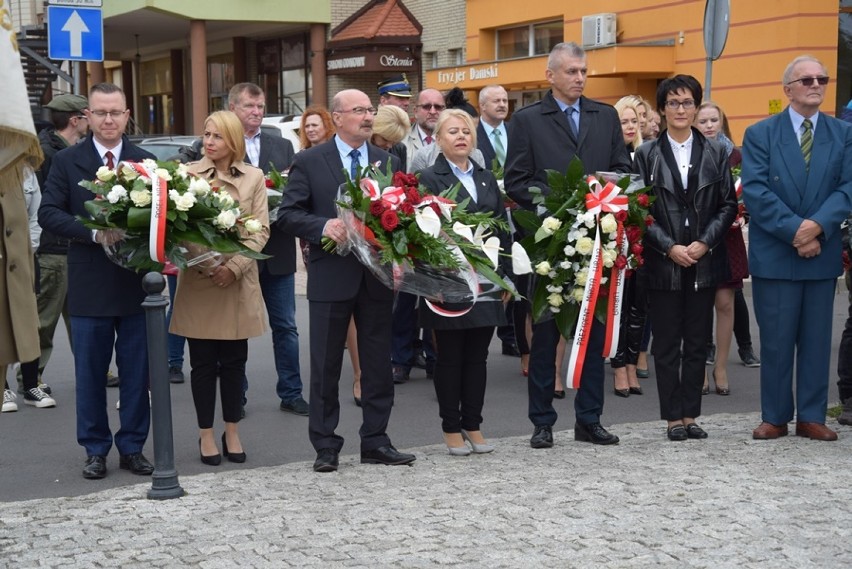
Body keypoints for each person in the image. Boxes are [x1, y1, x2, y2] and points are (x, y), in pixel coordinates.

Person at [278, 89, 416, 472]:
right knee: (325, 364)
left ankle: (376, 439)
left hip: (377, 276)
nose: (368, 116)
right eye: (359, 111)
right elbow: (288, 214)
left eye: (370, 110)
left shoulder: (386, 160)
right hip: (331, 273)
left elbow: (401, 215)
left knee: (377, 361)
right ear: (337, 118)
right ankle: (325, 445)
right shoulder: (309, 160)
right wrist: (322, 224)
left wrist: (401, 251)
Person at [505, 42, 631, 448]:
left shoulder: (605, 115)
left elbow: (624, 171)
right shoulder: (527, 120)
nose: (579, 78)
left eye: (583, 71)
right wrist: (558, 207)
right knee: (546, 333)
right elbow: (516, 181)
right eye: (572, 71)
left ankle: (589, 418)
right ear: (551, 76)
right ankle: (542, 420)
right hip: (551, 243)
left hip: (597, 239)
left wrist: (601, 194)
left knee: (593, 333)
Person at [39, 83, 156, 479]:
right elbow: (48, 213)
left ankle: (133, 447)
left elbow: (163, 218)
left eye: (116, 112)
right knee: (89, 375)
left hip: (137, 284)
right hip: (89, 283)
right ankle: (95, 449)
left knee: (137, 374)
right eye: (101, 113)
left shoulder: (147, 162)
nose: (108, 120)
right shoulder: (67, 161)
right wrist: (92, 232)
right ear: (87, 116)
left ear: (127, 116)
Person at [742, 55, 852, 441]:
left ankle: (811, 415)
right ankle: (774, 415)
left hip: (820, 252)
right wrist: (796, 232)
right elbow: (755, 191)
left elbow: (847, 188)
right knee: (775, 340)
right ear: (787, 88)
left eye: (821, 78)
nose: (816, 85)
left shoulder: (842, 133)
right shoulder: (760, 134)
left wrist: (816, 228)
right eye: (806, 80)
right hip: (777, 253)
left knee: (817, 340)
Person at [635, 75, 737, 441]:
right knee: (666, 344)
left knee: (697, 342)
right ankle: (671, 418)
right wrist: (668, 246)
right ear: (662, 109)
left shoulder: (715, 151)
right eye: (674, 103)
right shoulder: (645, 154)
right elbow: (639, 209)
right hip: (664, 262)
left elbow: (727, 204)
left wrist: (704, 243)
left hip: (704, 261)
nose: (681, 109)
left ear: (696, 106)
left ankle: (691, 414)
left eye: (688, 102)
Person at [170, 110, 269, 465]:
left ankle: (232, 431)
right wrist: (212, 265)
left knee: (234, 364)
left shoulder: (254, 177)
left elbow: (260, 231)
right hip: (200, 280)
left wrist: (235, 267)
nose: (208, 142)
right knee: (202, 365)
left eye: (216, 136)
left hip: (237, 281)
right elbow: (179, 229)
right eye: (206, 135)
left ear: (233, 141)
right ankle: (205, 435)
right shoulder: (187, 174)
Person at [418, 109, 508, 456]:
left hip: (486, 281)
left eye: (466, 132)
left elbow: (502, 227)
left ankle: (473, 423)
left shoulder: (486, 178)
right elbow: (424, 233)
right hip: (449, 281)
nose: (461, 137)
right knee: (450, 357)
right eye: (453, 132)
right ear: (439, 139)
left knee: (478, 357)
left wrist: (505, 280)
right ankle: (450, 426)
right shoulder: (429, 177)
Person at [227, 83, 303, 417]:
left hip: (279, 250)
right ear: (233, 108)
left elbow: (296, 193)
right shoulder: (220, 144)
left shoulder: (283, 145)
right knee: (238, 327)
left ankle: (292, 392)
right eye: (249, 106)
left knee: (285, 325)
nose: (256, 112)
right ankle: (236, 396)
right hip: (239, 250)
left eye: (260, 106)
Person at [29, 94, 89, 394]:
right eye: (87, 115)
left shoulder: (69, 149)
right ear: (75, 120)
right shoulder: (47, 154)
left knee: (83, 315)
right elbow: (44, 206)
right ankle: (31, 377)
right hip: (53, 248)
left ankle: (95, 369)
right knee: (45, 318)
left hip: (74, 246)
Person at [694, 101, 753, 396]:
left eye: (713, 120)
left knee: (725, 303)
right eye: (702, 120)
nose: (708, 125)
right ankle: (700, 369)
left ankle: (720, 366)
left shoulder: (735, 155)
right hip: (698, 239)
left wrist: (742, 211)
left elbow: (748, 192)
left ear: (721, 121)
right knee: (700, 306)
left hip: (727, 239)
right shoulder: (689, 154)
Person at [609, 95, 649, 398]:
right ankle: (619, 366)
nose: (631, 126)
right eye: (624, 121)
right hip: (616, 240)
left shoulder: (646, 155)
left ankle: (633, 363)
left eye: (634, 120)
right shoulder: (609, 156)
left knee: (639, 307)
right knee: (618, 306)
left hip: (644, 241)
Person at [476, 84, 519, 360]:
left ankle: (511, 335)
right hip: (488, 214)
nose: (502, 105)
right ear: (482, 106)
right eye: (496, 101)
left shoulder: (516, 131)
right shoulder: (473, 134)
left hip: (517, 210)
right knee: (493, 265)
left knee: (515, 268)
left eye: (505, 100)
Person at [404, 88, 445, 173]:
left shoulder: (453, 141)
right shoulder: (401, 141)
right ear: (415, 111)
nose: (433, 112)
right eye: (426, 107)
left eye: (438, 107)